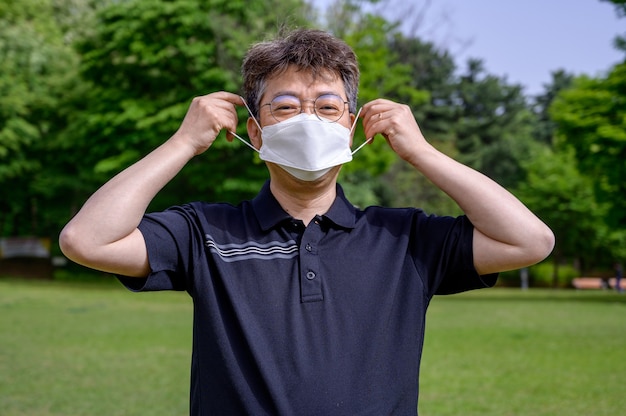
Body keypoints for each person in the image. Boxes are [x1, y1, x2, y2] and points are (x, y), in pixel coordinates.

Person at [59, 28, 555, 415]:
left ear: (354, 127)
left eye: (327, 106)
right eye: (286, 107)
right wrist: (182, 143)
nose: (308, 121)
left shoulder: (406, 237)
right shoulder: (204, 232)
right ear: (255, 131)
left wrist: (421, 153)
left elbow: (530, 240)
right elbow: (86, 239)